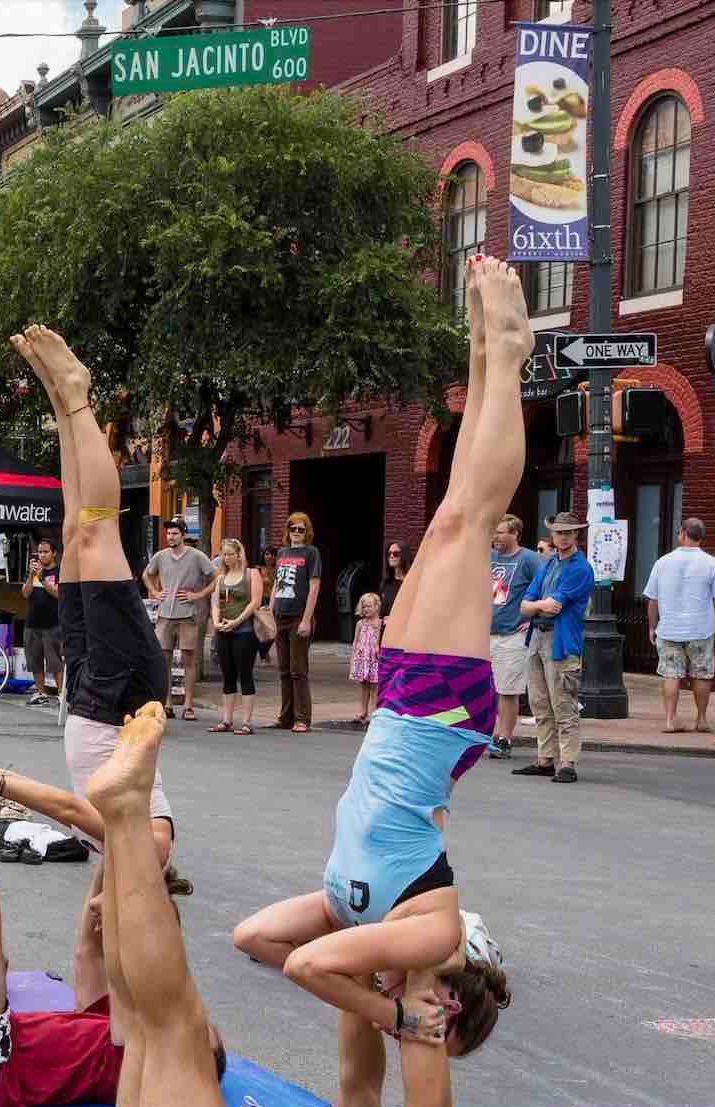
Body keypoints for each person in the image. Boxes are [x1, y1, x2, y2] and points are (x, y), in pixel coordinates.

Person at [88, 706, 585, 1107]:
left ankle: (126, 811)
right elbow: (359, 1083)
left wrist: (425, 968)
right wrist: (385, 947)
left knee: (179, 1031)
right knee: (139, 1021)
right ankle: (122, 821)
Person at [233, 258, 525, 1050]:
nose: (395, 1002)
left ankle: (483, 350)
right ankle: (506, 352)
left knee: (449, 515)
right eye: (422, 1018)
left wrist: (365, 990)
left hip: (404, 707)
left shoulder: (353, 912)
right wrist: (393, 1015)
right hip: (438, 718)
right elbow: (307, 965)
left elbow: (256, 938)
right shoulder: (430, 935)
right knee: (470, 518)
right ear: (445, 1005)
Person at [0, 689, 224, 1107]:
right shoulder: (108, 1019)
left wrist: (128, 878)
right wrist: (117, 860)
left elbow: (128, 969)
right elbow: (87, 951)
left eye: (200, 1035)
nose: (197, 1021)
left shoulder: (138, 1048)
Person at [10, 324, 172, 855]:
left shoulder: (110, 857)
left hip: (88, 692)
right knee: (99, 527)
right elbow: (146, 842)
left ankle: (60, 402)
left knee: (74, 532)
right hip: (124, 692)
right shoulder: (150, 847)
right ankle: (78, 394)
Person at [513, 511, 594, 783]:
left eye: (568, 532)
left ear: (576, 534)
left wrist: (535, 606)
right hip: (537, 637)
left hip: (561, 642)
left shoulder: (580, 568)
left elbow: (553, 607)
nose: (563, 537)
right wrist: (538, 606)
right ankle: (546, 758)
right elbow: (526, 605)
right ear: (553, 535)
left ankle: (567, 763)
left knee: (563, 704)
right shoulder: (548, 564)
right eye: (558, 532)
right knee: (539, 703)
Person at [644, 517, 715, 735]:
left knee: (671, 674)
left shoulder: (662, 563)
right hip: (701, 629)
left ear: (682, 533)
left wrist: (652, 627)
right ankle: (701, 719)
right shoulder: (713, 564)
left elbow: (652, 600)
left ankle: (671, 720)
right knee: (702, 674)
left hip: (669, 629)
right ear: (701, 537)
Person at [142, 520, 216, 722]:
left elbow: (216, 577)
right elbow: (146, 575)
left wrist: (198, 595)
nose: (170, 537)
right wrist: (155, 592)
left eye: (174, 533)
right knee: (163, 660)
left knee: (188, 661)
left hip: (188, 616)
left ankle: (188, 705)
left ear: (183, 534)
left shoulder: (196, 556)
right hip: (165, 616)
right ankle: (167, 703)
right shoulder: (160, 556)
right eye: (168, 534)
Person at [486, 514, 543, 761]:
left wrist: (533, 617)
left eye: (500, 532)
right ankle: (490, 734)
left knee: (508, 689)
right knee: (489, 689)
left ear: (515, 534)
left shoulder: (529, 559)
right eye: (494, 532)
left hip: (512, 635)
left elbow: (547, 586)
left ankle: (504, 739)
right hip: (487, 633)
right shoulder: (490, 557)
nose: (495, 537)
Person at [270, 512, 321, 732]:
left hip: (298, 616)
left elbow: (314, 586)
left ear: (306, 531)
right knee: (283, 670)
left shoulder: (311, 553)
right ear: (288, 530)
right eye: (293, 529)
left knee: (298, 670)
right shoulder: (282, 552)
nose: (297, 533)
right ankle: (285, 717)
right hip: (280, 616)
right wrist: (270, 612)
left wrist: (306, 619)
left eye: (301, 529)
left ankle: (302, 718)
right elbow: (276, 584)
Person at [208, 537, 260, 735]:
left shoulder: (251, 574)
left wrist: (237, 621)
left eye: (230, 554)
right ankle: (226, 719)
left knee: (245, 674)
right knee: (227, 675)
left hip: (244, 631)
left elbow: (254, 602)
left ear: (239, 555)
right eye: (224, 554)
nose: (227, 558)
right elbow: (215, 602)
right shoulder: (221, 578)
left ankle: (246, 722)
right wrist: (216, 622)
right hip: (223, 630)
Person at [20, 539, 63, 706]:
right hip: (32, 623)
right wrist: (31, 576)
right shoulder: (33, 571)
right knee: (35, 661)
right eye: (40, 552)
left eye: (45, 552)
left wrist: (43, 578)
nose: (42, 555)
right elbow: (25, 593)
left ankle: (61, 694)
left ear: (54, 553)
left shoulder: (59, 572)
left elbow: (59, 594)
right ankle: (40, 692)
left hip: (53, 624)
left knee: (55, 662)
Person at [349, 591, 383, 724]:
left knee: (374, 687)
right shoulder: (360, 623)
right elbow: (355, 641)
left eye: (369, 606)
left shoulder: (380, 623)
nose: (366, 609)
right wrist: (353, 658)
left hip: (374, 659)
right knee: (364, 686)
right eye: (364, 606)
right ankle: (363, 711)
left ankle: (372, 711)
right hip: (362, 658)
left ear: (377, 607)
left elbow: (380, 641)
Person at [255, 545, 278, 663]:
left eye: (273, 554)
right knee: (262, 628)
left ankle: (264, 651)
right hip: (262, 601)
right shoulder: (258, 569)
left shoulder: (279, 569)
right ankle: (263, 653)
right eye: (267, 554)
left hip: (276, 601)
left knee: (275, 629)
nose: (270, 557)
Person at [379, 541, 411, 625]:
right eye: (389, 553)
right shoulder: (386, 583)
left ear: (404, 556)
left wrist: (394, 619)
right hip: (386, 629)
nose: (391, 556)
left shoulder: (411, 582)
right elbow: (381, 613)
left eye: (396, 553)